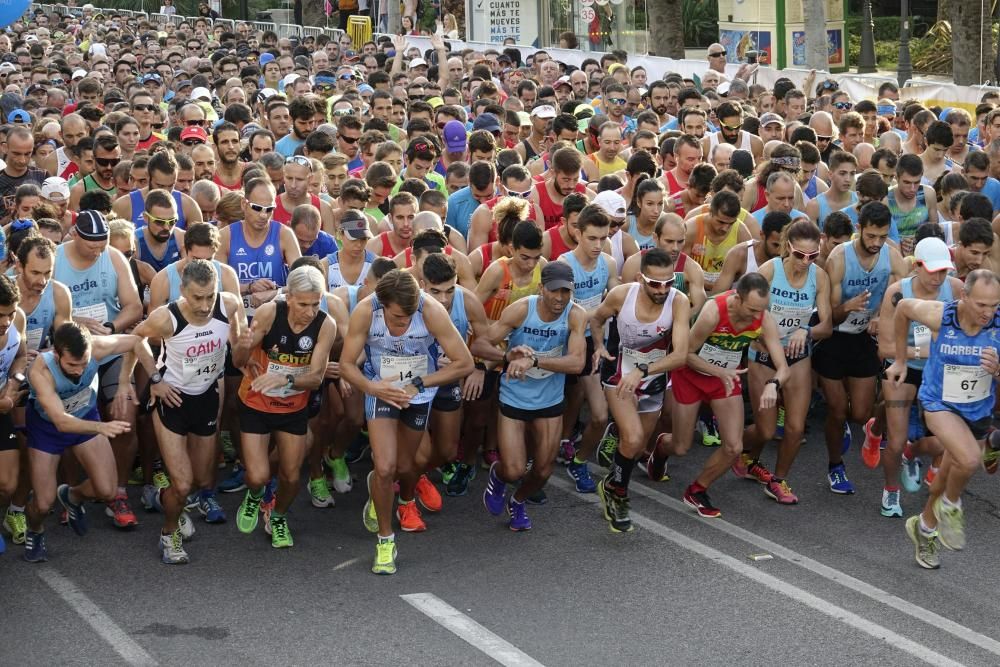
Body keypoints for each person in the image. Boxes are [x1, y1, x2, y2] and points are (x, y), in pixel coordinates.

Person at [338, 270, 473, 575]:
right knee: (385, 467)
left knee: (403, 465)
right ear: (383, 303)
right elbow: (346, 364)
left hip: (418, 394)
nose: (404, 323)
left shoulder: (430, 310)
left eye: (409, 317)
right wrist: (372, 388)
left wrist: (420, 383)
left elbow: (465, 363)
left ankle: (379, 488)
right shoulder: (365, 311)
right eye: (398, 317)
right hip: (380, 389)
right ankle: (386, 541)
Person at [129, 260, 248, 563]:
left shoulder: (229, 304)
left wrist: (244, 347)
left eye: (210, 296)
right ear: (182, 291)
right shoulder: (166, 318)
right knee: (182, 484)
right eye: (197, 297)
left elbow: (237, 339)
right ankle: (169, 535)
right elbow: (136, 339)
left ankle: (160, 498)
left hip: (207, 398)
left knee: (199, 480)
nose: (205, 305)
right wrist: (155, 380)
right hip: (173, 400)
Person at [885, 270, 1000, 569]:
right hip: (938, 403)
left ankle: (924, 528)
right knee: (970, 459)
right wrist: (900, 359)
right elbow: (903, 308)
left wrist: (998, 370)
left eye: (994, 305)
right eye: (981, 305)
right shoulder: (942, 316)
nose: (988, 312)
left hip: (977, 409)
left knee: (948, 475)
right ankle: (951, 506)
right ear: (964, 296)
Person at [667, 273, 790, 518]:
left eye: (762, 310)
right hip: (691, 375)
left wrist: (773, 384)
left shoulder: (763, 319)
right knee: (680, 447)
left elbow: (783, 367)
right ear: (737, 299)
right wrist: (718, 371)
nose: (758, 316)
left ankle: (697, 490)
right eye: (753, 309)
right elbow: (685, 354)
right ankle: (658, 452)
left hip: (725, 379)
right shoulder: (714, 312)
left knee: (734, 447)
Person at [234, 266, 337, 548]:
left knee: (291, 476)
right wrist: (243, 347)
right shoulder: (270, 312)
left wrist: (286, 377)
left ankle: (278, 516)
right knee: (257, 475)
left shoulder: (326, 325)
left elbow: (316, 378)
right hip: (256, 402)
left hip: (293, 408)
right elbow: (237, 360)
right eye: (303, 304)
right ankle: (255, 495)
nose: (310, 311)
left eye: (316, 303)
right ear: (288, 297)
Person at [54, 210, 144, 528]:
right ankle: (71, 489)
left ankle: (117, 492)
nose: (97, 251)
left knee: (124, 417)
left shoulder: (113, 257)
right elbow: (49, 308)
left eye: (102, 244)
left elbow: (134, 305)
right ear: (75, 235)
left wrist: (110, 325)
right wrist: (77, 324)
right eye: (91, 244)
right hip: (71, 355)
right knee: (68, 424)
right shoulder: (56, 259)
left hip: (108, 351)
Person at [590, 248, 690, 531]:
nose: (662, 290)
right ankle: (618, 495)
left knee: (634, 449)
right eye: (655, 283)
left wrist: (644, 371)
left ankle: (612, 480)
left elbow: (681, 354)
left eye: (668, 282)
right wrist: (598, 345)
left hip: (653, 378)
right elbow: (596, 319)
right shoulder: (622, 295)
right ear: (640, 278)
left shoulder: (678, 301)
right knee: (633, 439)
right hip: (620, 374)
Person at [483, 261, 587, 530]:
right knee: (514, 470)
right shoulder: (521, 309)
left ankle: (517, 501)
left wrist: (535, 361)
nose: (560, 298)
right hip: (514, 396)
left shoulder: (576, 315)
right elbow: (482, 343)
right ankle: (497, 475)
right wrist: (507, 356)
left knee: (543, 470)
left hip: (549, 400)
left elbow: (577, 363)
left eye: (566, 292)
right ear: (541, 288)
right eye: (554, 291)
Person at [813, 202, 907, 494]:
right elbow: (828, 313)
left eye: (881, 236)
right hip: (834, 337)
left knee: (860, 413)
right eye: (871, 236)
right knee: (838, 410)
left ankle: (865, 429)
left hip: (864, 339)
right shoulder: (840, 258)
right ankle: (835, 466)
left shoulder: (892, 258)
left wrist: (881, 318)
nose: (876, 243)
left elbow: (903, 300)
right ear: (859, 229)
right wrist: (848, 307)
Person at [736, 220, 833, 503]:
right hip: (764, 355)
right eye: (799, 254)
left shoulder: (820, 276)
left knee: (794, 427)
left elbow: (826, 327)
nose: (805, 261)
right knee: (765, 429)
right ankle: (739, 450)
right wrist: (765, 337)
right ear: (786, 247)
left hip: (797, 358)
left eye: (812, 255)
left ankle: (778, 480)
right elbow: (745, 313)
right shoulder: (768, 272)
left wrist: (807, 330)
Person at [23, 323, 138, 562]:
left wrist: (127, 380)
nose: (78, 371)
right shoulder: (40, 370)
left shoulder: (96, 347)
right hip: (49, 428)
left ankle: (73, 495)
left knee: (107, 490)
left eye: (84, 364)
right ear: (56, 355)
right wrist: (101, 427)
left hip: (85, 416)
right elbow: (61, 422)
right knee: (43, 504)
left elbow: (137, 341)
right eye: (71, 365)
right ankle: (35, 531)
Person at [874, 238, 962, 518]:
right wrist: (922, 350)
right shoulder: (897, 292)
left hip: (940, 372)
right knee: (896, 441)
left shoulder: (956, 289)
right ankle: (891, 490)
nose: (939, 277)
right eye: (932, 270)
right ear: (917, 265)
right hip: (902, 369)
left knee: (945, 442)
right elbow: (885, 349)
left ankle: (911, 454)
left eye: (944, 271)